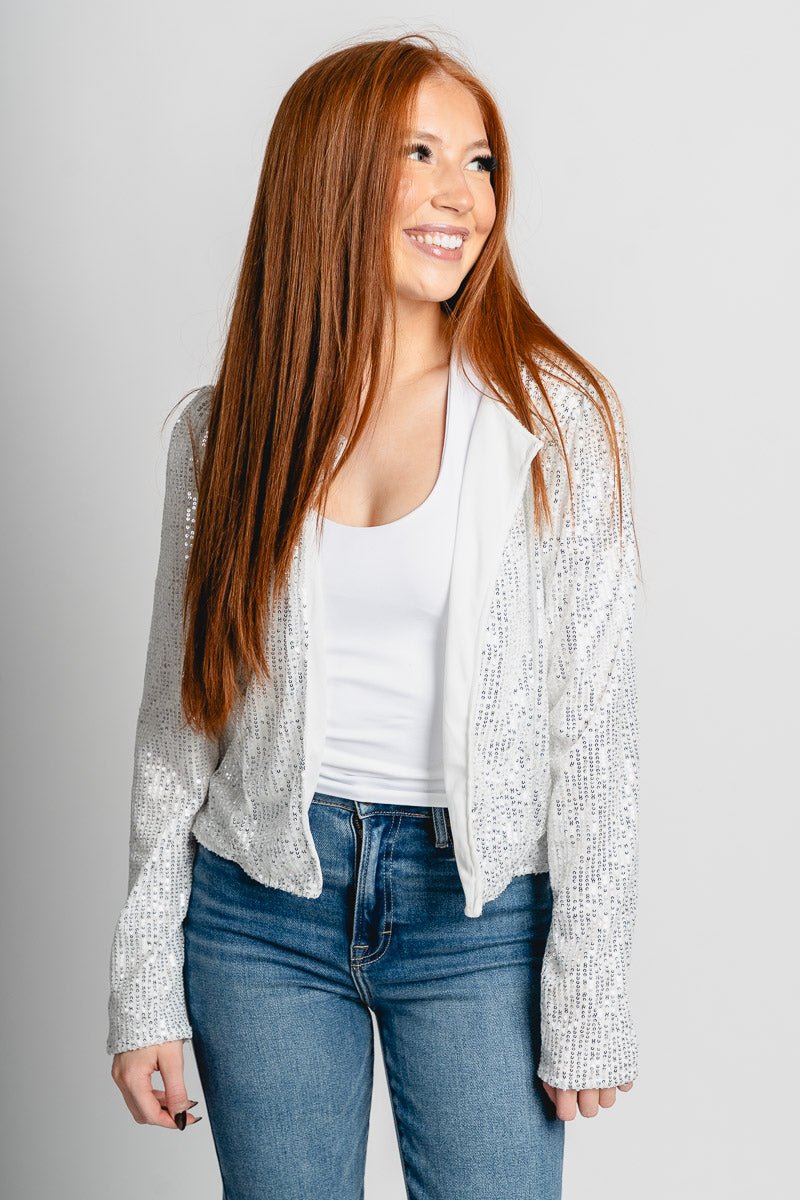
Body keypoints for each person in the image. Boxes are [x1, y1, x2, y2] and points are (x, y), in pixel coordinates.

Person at [107, 31, 642, 1200]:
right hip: (258, 913)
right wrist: (143, 986)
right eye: (419, 154)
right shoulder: (224, 431)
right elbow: (177, 720)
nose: (462, 195)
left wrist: (589, 991)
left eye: (479, 161)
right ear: (330, 176)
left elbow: (593, 728)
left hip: (476, 920)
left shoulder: (552, 422)